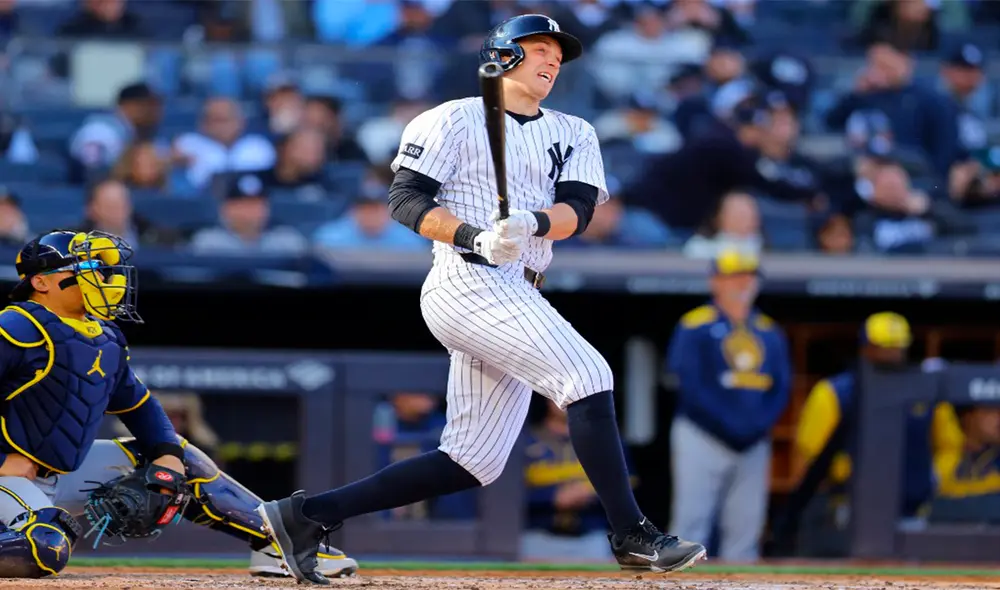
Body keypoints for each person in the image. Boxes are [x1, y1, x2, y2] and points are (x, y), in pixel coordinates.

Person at [257, 15, 706, 585]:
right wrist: (474, 236)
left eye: (558, 54)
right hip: (467, 279)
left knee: (474, 460)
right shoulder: (452, 118)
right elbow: (405, 199)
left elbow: (578, 211)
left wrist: (532, 221)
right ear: (503, 55)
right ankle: (632, 534)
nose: (552, 59)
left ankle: (306, 517)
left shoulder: (575, 131)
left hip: (521, 284)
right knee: (588, 374)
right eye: (539, 48)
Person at [0, 230, 357, 579]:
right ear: (41, 282)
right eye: (87, 267)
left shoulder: (103, 337)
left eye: (102, 268)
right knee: (45, 546)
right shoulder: (16, 325)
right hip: (7, 476)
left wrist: (167, 454)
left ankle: (277, 543)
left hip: (54, 475)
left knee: (178, 458)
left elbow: (139, 406)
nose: (102, 277)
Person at [666, 249, 791, 561]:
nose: (743, 283)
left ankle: (741, 581)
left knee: (746, 526)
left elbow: (781, 388)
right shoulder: (695, 325)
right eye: (734, 276)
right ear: (716, 282)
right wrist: (729, 427)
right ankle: (680, 581)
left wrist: (756, 427)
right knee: (691, 521)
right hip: (701, 435)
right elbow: (688, 385)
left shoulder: (768, 330)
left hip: (753, 441)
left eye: (748, 276)